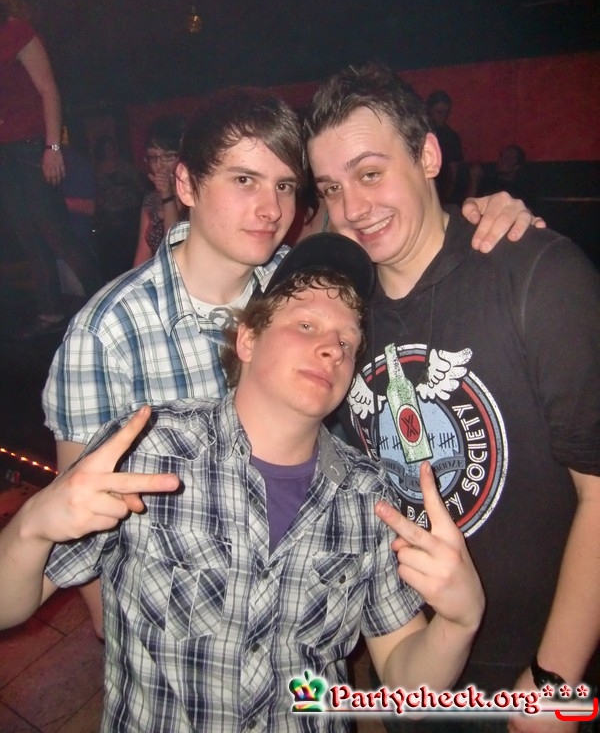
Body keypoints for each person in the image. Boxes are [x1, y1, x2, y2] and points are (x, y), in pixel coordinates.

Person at [42, 85, 540, 637]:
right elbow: (77, 532)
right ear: (185, 184)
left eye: (284, 185)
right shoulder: (106, 334)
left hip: (307, 621)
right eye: (244, 180)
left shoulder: (313, 284)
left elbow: (410, 248)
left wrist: (480, 215)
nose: (272, 209)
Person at [0, 234, 485, 732]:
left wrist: (459, 623)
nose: (332, 349)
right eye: (306, 325)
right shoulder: (149, 450)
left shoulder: (368, 497)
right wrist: (31, 527)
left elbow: (404, 678)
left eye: (348, 341)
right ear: (248, 339)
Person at [304, 63, 600, 733]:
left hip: (535, 666)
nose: (353, 208)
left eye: (370, 172)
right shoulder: (340, 317)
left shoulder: (538, 274)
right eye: (332, 188)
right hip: (412, 663)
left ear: (429, 156)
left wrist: (553, 679)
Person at [0, 0, 102, 338]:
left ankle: (103, 307)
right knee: (26, 234)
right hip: (4, 150)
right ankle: (50, 311)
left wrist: (52, 147)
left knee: (54, 231)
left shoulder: (17, 31)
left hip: (31, 145)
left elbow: (48, 90)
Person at [132, 114, 188, 266]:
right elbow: (142, 257)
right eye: (153, 157)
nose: (159, 166)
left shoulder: (197, 196)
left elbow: (174, 250)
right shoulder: (151, 200)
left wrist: (167, 197)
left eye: (168, 156)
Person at [93, 134, 145, 279]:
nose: (110, 151)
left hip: (129, 212)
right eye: (107, 148)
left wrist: (126, 188)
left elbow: (140, 186)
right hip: (110, 216)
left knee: (131, 248)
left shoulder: (124, 166)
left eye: (112, 147)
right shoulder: (97, 170)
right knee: (114, 251)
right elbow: (95, 193)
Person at [469, 144, 538, 215]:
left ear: (517, 166)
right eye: (502, 156)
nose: (502, 161)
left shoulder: (522, 188)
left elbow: (528, 212)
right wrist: (474, 179)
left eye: (508, 159)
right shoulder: (489, 181)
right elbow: (469, 206)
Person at [426, 89, 464, 205]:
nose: (443, 117)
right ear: (428, 110)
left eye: (445, 113)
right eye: (439, 112)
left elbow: (453, 172)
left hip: (440, 187)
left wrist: (446, 198)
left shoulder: (450, 137)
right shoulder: (418, 131)